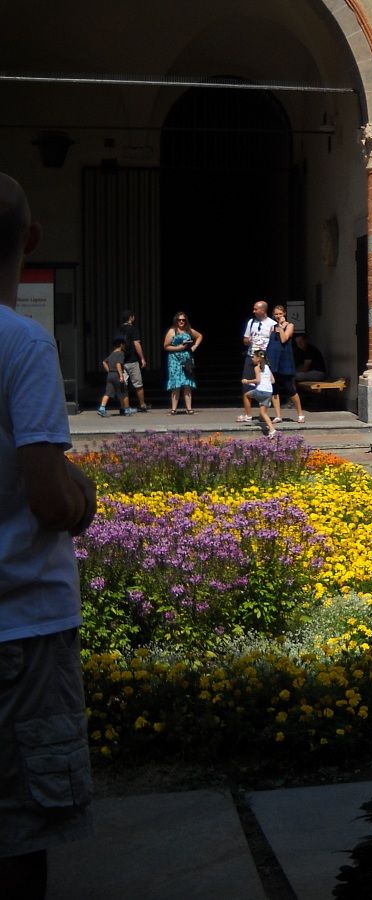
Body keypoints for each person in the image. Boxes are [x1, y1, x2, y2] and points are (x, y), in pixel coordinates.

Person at [1, 172, 97, 899]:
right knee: (21, 831)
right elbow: (48, 496)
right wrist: (83, 494)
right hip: (21, 628)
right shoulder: (22, 344)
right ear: (31, 240)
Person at [265, 304, 304, 424]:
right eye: (276, 314)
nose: (278, 316)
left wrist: (281, 326)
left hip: (285, 360)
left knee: (289, 387)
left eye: (280, 314)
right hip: (273, 360)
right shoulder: (272, 327)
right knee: (274, 388)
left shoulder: (289, 325)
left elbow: (284, 339)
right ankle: (278, 415)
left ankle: (300, 414)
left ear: (284, 314)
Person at [238, 300, 273, 423]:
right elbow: (245, 339)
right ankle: (248, 415)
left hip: (263, 356)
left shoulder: (272, 324)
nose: (254, 311)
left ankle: (263, 413)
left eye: (256, 309)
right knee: (246, 384)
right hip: (251, 355)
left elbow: (274, 342)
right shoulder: (251, 322)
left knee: (264, 384)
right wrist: (247, 341)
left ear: (263, 310)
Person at [163, 311, 202, 415]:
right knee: (175, 384)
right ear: (176, 320)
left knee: (187, 383)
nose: (181, 321)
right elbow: (166, 346)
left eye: (183, 320)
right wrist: (178, 347)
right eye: (179, 320)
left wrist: (194, 346)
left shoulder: (188, 330)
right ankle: (173, 409)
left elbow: (199, 336)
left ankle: (189, 408)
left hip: (187, 359)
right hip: (174, 359)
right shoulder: (172, 331)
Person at [116, 309, 150, 412]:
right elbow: (136, 344)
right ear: (131, 317)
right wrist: (142, 358)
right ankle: (142, 405)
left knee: (123, 385)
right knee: (138, 384)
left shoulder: (118, 329)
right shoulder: (133, 329)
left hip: (120, 360)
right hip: (132, 360)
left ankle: (123, 407)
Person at [241, 348, 278, 438]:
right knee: (263, 412)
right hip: (269, 392)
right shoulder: (267, 367)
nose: (252, 358)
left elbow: (258, 380)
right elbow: (273, 381)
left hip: (261, 391)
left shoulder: (256, 368)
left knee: (246, 395)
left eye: (253, 357)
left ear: (258, 359)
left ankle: (248, 415)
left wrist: (247, 381)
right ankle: (272, 429)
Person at [97, 335, 132, 417]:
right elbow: (118, 364)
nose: (124, 346)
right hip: (117, 374)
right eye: (124, 344)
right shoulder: (121, 353)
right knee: (124, 393)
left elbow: (104, 362)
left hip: (110, 375)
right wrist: (121, 376)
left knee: (107, 393)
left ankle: (102, 408)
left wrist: (109, 370)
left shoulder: (112, 354)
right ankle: (127, 409)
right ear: (121, 345)